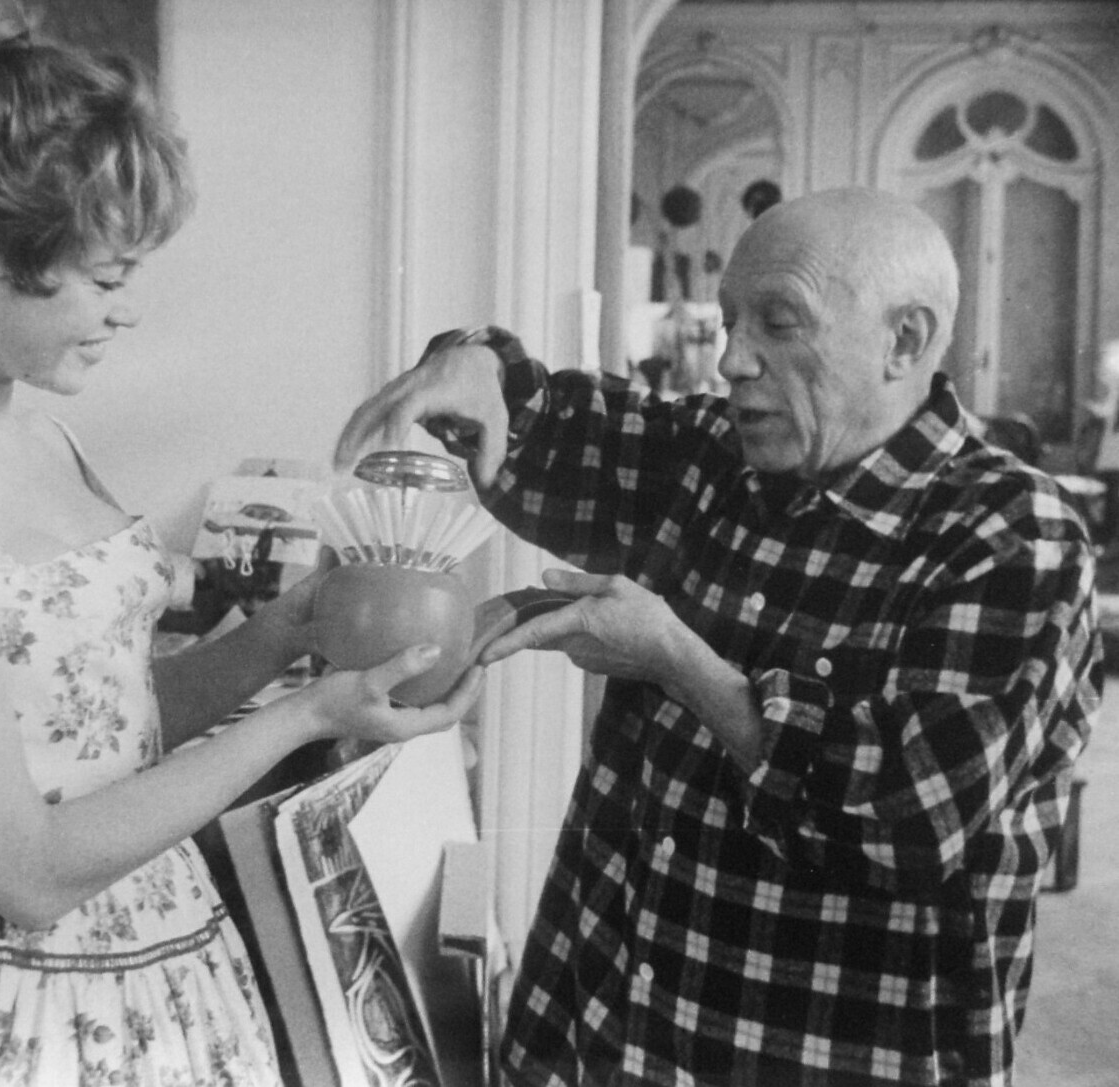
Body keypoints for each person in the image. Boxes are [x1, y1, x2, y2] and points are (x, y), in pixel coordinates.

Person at [0, 2, 481, 1083]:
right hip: (27, 1019)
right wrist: (306, 714)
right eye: (107, 279)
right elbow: (27, 869)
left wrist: (284, 633)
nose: (127, 311)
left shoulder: (38, 432)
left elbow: (108, 728)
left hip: (166, 969)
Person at [334, 187, 1100, 1086]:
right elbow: (544, 423)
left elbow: (910, 816)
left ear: (905, 340)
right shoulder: (713, 457)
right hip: (592, 1040)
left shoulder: (1013, 535)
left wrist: (678, 662)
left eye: (779, 322)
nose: (734, 359)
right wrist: (476, 367)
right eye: (732, 321)